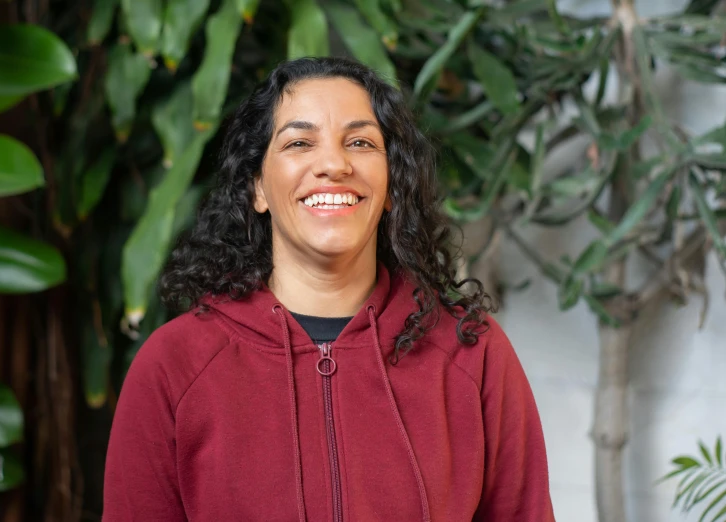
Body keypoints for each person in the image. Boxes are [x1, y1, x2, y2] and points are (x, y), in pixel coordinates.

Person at [103, 57, 555, 522]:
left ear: (392, 185)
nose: (334, 164)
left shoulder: (472, 356)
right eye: (300, 142)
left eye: (359, 142)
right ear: (257, 186)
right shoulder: (174, 366)